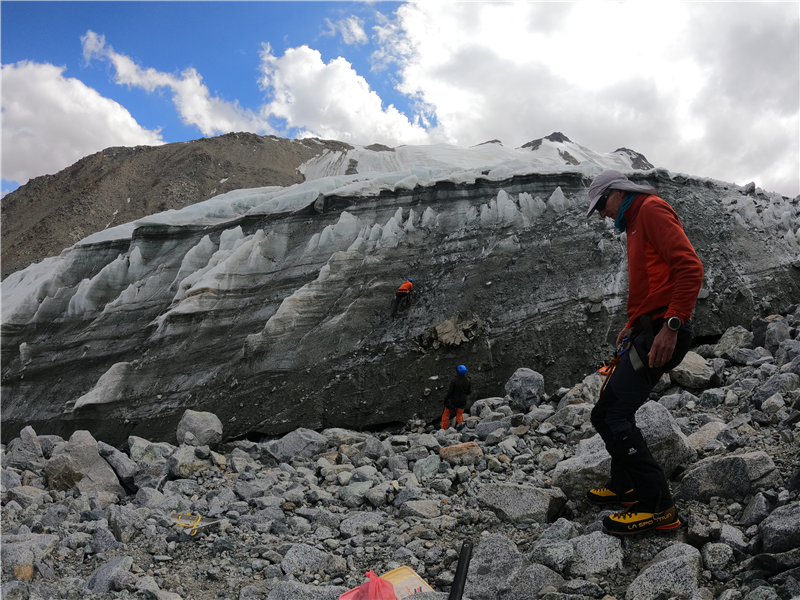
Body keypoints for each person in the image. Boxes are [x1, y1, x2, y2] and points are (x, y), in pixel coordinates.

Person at [585, 169, 703, 535]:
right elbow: (657, 280)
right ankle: (626, 488)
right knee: (613, 411)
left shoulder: (650, 209)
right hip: (648, 329)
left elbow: (690, 268)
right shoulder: (634, 221)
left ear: (618, 193)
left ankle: (657, 508)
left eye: (602, 204)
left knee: (611, 415)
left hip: (663, 332)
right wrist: (634, 322)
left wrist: (672, 325)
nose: (602, 214)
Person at [441, 365, 471, 430]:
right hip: (463, 401)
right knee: (459, 415)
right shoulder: (468, 381)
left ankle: (444, 429)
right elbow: (469, 392)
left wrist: (446, 401)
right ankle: (459, 428)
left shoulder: (454, 381)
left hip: (453, 401)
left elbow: (450, 392)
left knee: (446, 414)